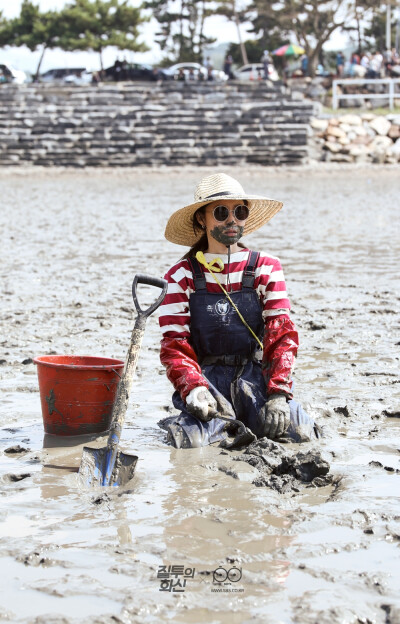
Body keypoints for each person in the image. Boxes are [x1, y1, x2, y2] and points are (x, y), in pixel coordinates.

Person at [158, 173, 321, 449]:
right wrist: (193, 388)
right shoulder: (179, 276)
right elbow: (174, 346)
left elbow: (281, 334)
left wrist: (278, 394)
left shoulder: (266, 267)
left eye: (240, 211)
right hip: (206, 381)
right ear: (202, 219)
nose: (232, 220)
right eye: (221, 213)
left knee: (300, 431)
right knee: (190, 443)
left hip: (256, 378)